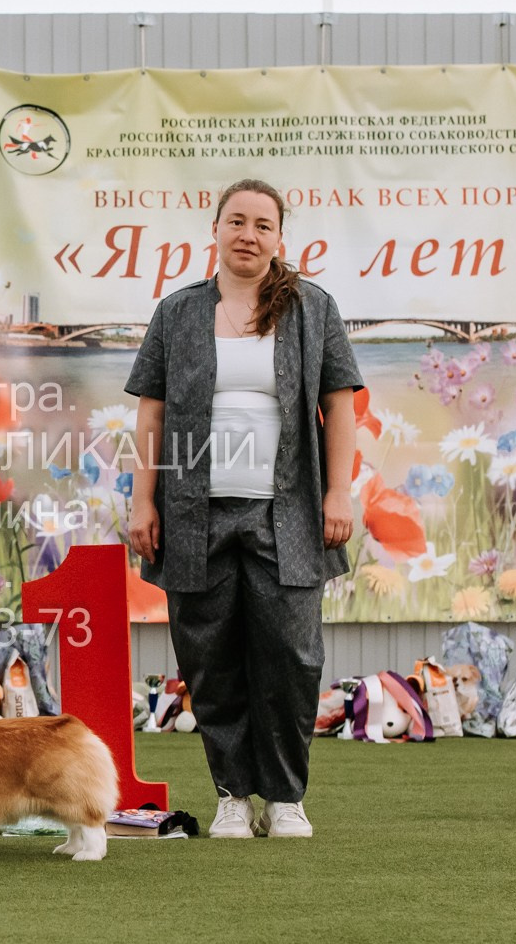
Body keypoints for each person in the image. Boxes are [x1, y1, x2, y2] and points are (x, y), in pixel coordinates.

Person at [125, 179, 361, 840]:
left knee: (291, 654)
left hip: (285, 513)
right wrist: (143, 498)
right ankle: (233, 794)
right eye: (236, 221)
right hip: (194, 513)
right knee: (210, 657)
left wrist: (337, 490)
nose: (248, 234)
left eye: (262, 224)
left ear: (280, 237)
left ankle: (284, 797)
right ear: (216, 231)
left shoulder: (313, 308)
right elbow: (152, 410)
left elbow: (339, 402)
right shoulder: (177, 312)